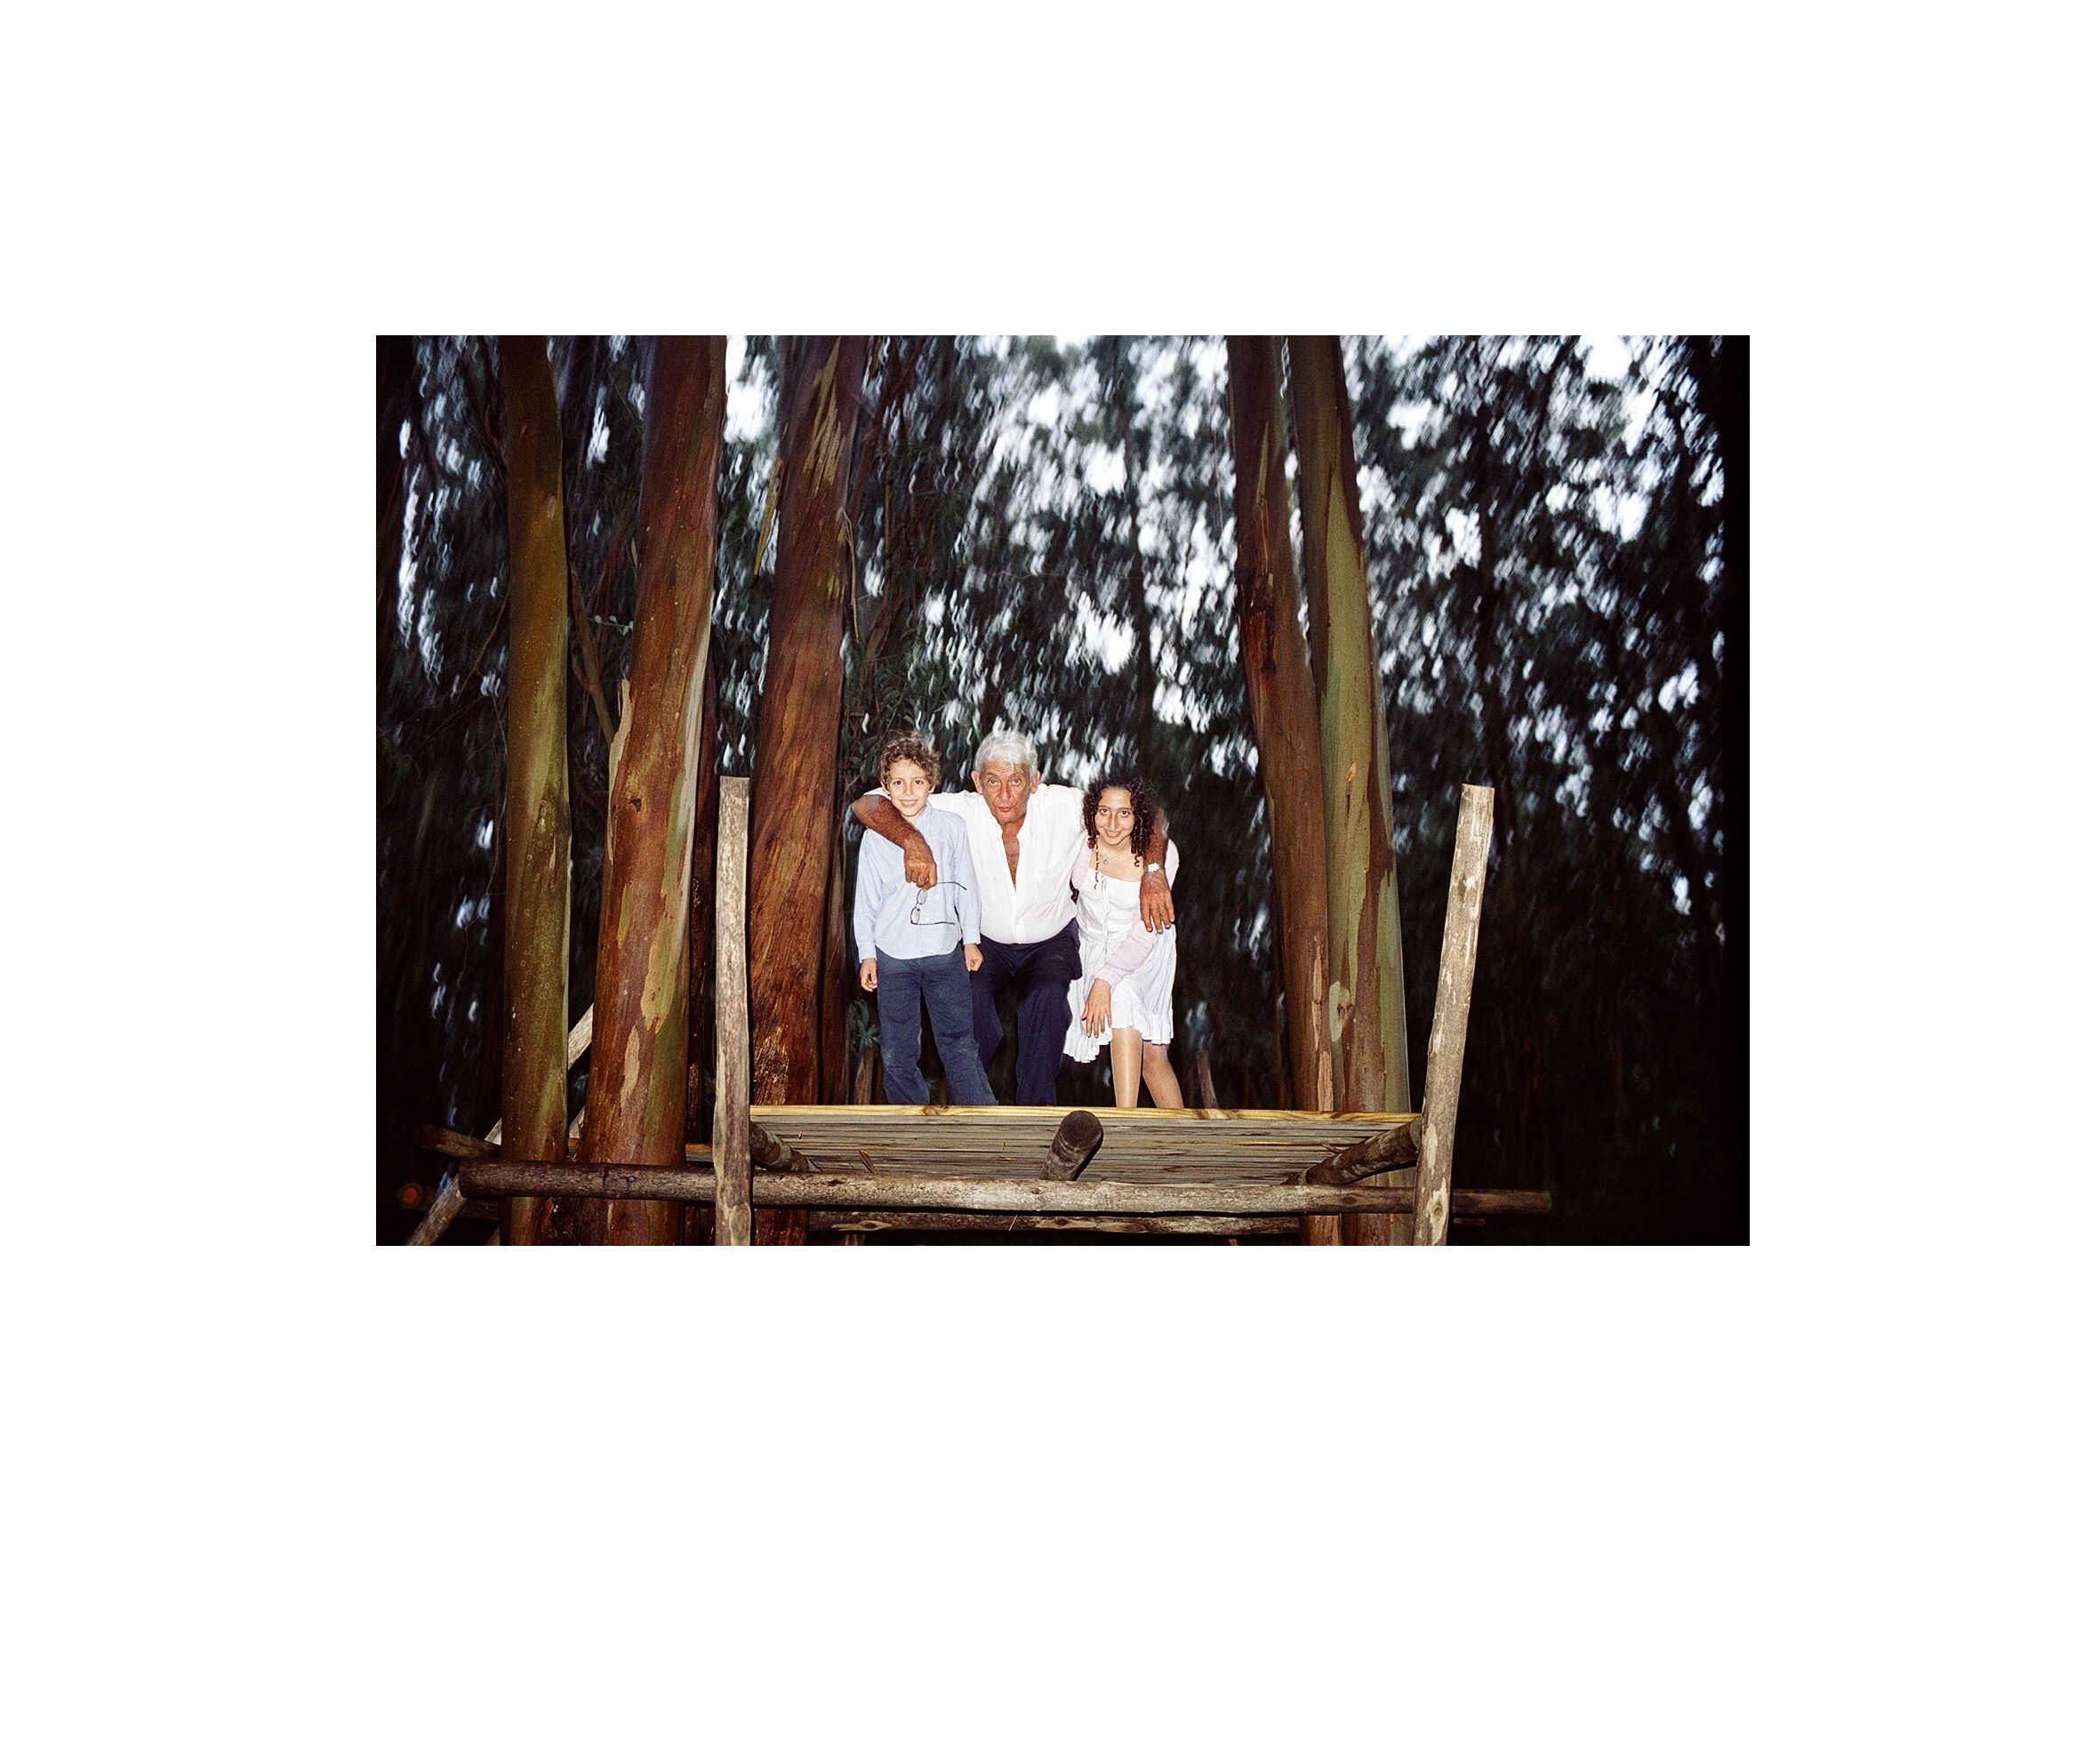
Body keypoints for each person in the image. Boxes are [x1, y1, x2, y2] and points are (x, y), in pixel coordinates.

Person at [849, 727, 1174, 1105]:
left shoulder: (1066, 806)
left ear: (1034, 781)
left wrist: (1154, 872)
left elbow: (1148, 813)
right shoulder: (958, 810)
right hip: (986, 940)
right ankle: (970, 1110)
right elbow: (867, 804)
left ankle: (1035, 1115)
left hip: (1050, 941)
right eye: (993, 781)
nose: (1004, 794)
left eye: (1016, 781)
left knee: (1048, 1000)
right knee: (969, 1000)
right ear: (977, 783)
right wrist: (912, 840)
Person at [852, 732, 997, 1107]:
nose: (908, 792)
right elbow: (865, 901)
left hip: (944, 953)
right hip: (892, 956)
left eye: (917, 782)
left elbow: (966, 885)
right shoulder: (875, 837)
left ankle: (979, 1116)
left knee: (959, 1041)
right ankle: (908, 1119)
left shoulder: (952, 827)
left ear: (932, 784)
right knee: (897, 1049)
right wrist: (867, 955)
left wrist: (971, 939)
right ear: (885, 786)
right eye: (898, 783)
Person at [1063, 770, 1185, 1108]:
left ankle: (1125, 1118)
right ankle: (1186, 1133)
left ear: (1138, 815)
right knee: (1152, 1058)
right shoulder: (1081, 843)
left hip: (1145, 949)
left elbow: (1144, 933)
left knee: (1123, 999)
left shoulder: (1160, 858)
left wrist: (1104, 981)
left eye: (1125, 813)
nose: (1113, 824)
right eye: (1104, 811)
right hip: (1093, 946)